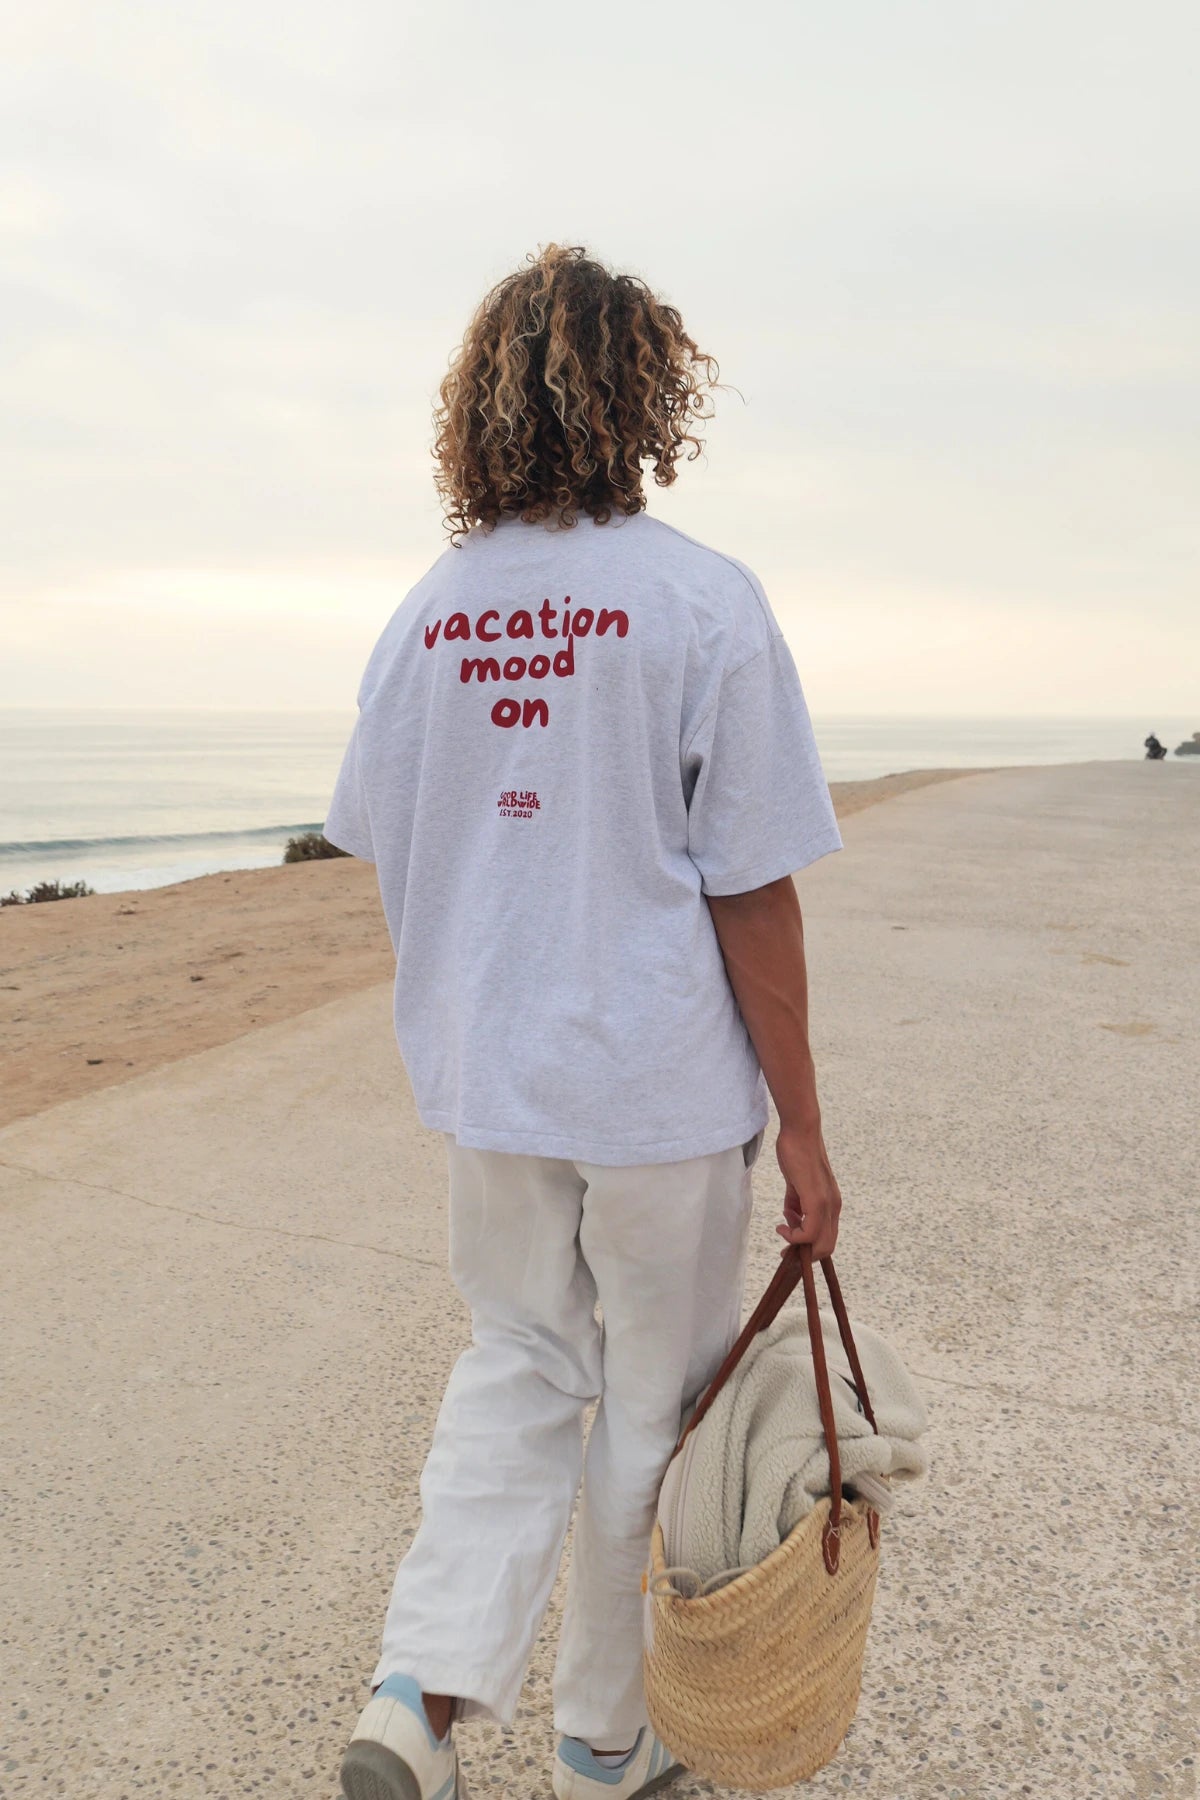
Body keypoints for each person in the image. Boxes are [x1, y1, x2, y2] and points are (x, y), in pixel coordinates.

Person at [324, 243, 845, 1800]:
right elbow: (753, 892)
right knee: (653, 1404)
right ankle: (600, 1742)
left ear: (478, 408)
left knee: (515, 1362)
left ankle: (418, 1692)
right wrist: (806, 1127)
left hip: (493, 1085)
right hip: (658, 1092)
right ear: (646, 397)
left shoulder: (426, 617)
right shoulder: (701, 603)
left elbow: (397, 849)